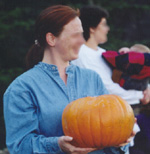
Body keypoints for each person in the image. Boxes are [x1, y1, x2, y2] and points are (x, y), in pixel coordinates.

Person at [3, 5, 131, 154]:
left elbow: (107, 135)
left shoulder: (92, 78)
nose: (82, 41)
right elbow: (19, 147)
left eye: (82, 34)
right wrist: (56, 144)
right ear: (51, 39)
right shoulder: (22, 88)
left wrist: (120, 139)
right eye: (75, 35)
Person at [71, 5, 150, 154]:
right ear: (92, 28)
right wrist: (142, 96)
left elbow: (123, 79)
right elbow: (107, 90)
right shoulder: (81, 55)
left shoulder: (103, 53)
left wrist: (147, 88)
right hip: (100, 128)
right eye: (104, 24)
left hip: (120, 126)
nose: (107, 29)